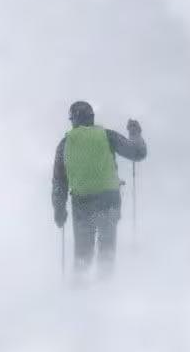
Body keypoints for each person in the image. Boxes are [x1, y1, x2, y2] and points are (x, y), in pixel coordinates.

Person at [51, 101, 147, 280]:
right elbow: (138, 153)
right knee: (107, 252)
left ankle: (78, 293)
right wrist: (135, 134)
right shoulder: (107, 135)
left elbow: (59, 183)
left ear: (72, 121)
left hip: (82, 205)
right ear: (92, 118)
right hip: (109, 202)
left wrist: (59, 210)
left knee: (83, 255)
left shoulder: (65, 144)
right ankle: (106, 291)